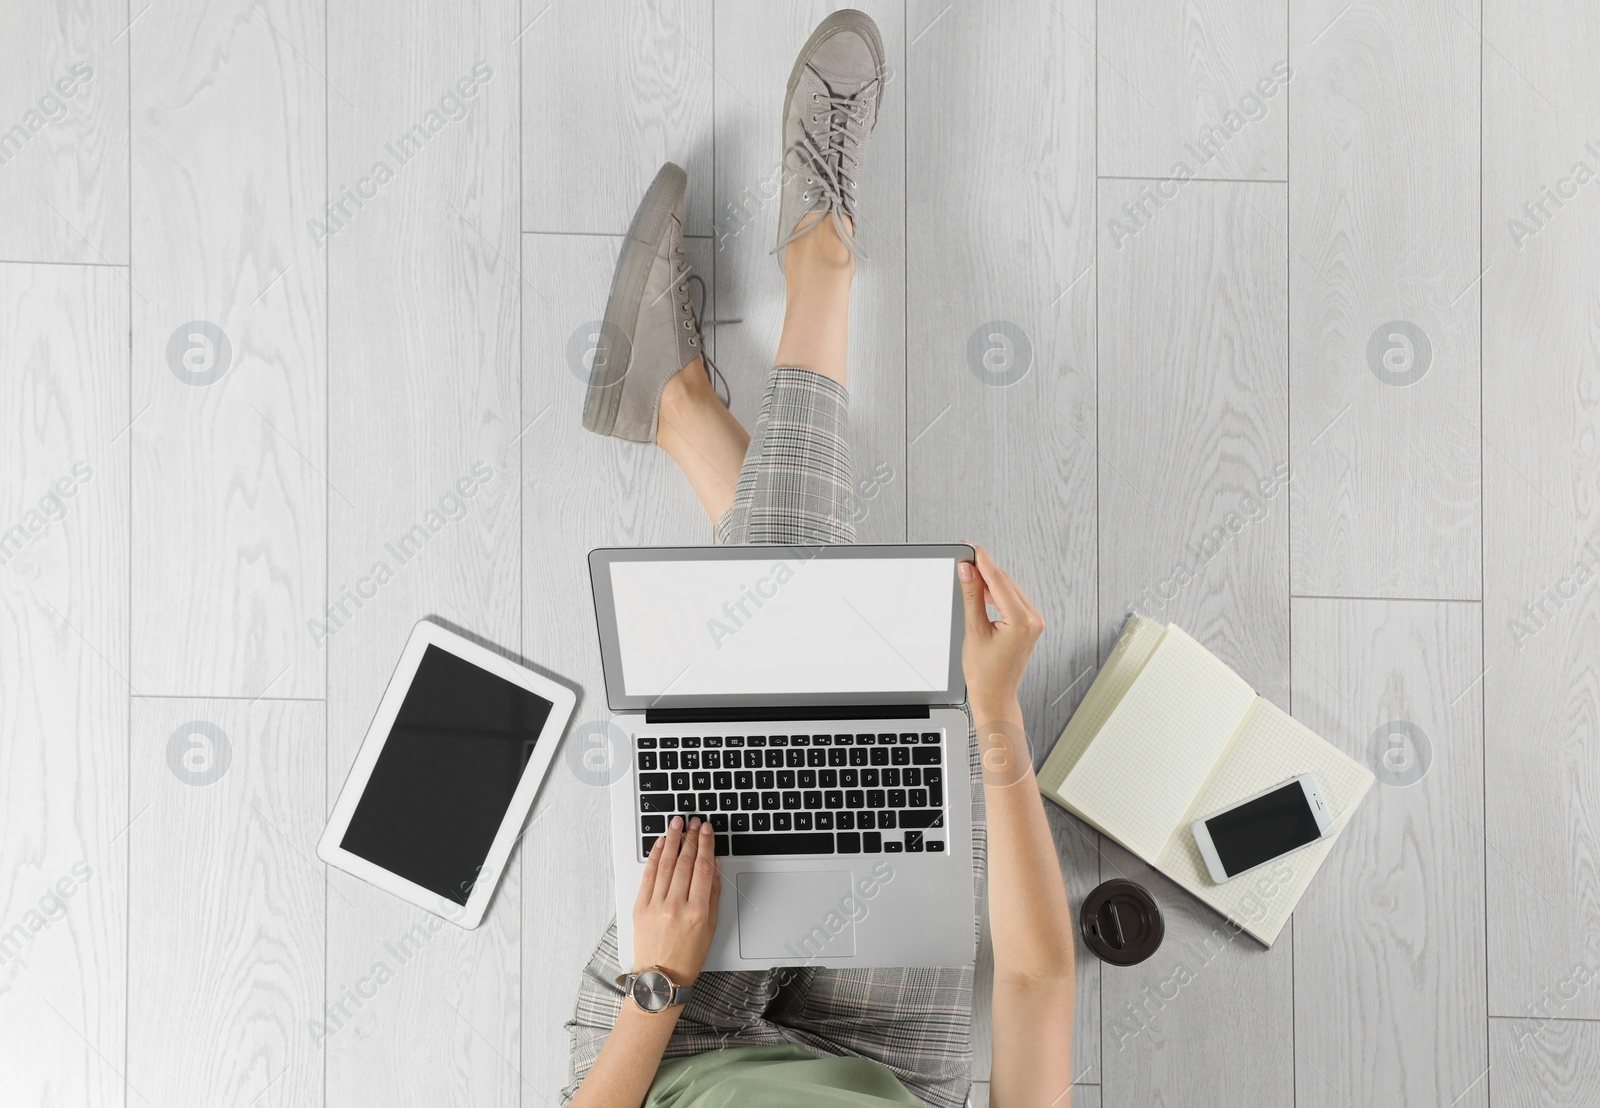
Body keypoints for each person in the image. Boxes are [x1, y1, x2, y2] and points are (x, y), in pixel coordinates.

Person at [564, 11, 1075, 1106]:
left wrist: (655, 980)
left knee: (806, 693)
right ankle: (680, 408)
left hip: (670, 1036)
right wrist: (994, 723)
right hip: (885, 1065)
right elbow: (1033, 982)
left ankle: (819, 267)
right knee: (866, 712)